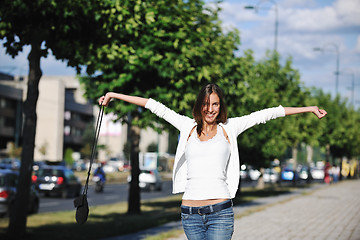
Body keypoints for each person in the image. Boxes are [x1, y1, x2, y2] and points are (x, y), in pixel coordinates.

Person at [98, 83, 327, 240]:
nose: (210, 109)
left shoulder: (230, 128)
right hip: (190, 214)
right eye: (206, 104)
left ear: (220, 106)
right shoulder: (186, 126)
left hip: (220, 213)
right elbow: (152, 105)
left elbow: (269, 113)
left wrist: (309, 109)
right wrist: (114, 95)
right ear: (200, 105)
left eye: (215, 104)